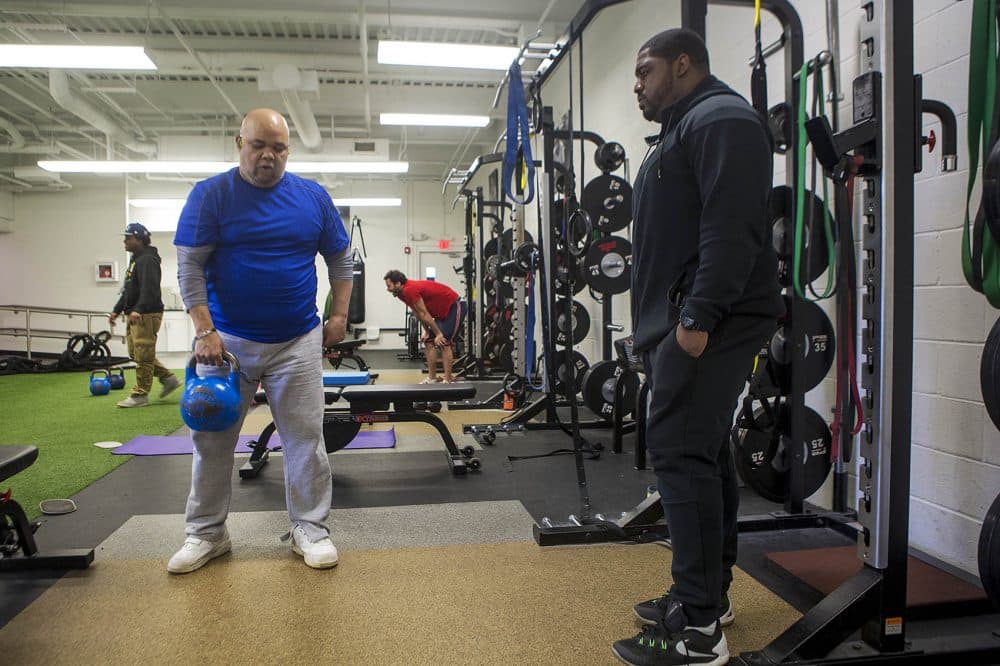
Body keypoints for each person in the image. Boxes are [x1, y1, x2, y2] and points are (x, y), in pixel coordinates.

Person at [613, 29, 784, 666]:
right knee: (703, 453)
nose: (637, 84)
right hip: (687, 320)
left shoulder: (723, 119)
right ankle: (709, 597)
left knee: (680, 452)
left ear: (683, 65)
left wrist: (698, 317)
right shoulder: (689, 125)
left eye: (645, 70)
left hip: (710, 321)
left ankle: (698, 631)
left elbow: (732, 228)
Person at [169, 108, 353, 574]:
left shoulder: (312, 198)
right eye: (259, 146)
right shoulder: (210, 195)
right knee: (211, 440)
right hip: (226, 343)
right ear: (239, 143)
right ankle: (206, 533)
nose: (268, 156)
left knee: (305, 439)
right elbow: (189, 267)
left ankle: (309, 528)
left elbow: (341, 262)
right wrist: (205, 330)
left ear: (288, 150)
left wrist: (339, 314)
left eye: (279, 148)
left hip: (297, 340)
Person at [107, 222, 181, 408]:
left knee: (143, 355)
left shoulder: (148, 259)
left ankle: (140, 395)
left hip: (146, 314)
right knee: (136, 353)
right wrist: (116, 310)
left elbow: (149, 289)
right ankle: (168, 378)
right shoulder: (135, 259)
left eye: (128, 238)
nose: (124, 241)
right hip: (136, 313)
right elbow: (128, 290)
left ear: (139, 239)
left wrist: (138, 309)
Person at [384, 270, 466, 383]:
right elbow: (417, 313)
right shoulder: (401, 294)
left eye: (389, 286)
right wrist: (427, 332)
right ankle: (432, 378)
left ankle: (448, 379)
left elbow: (424, 313)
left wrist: (438, 334)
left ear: (398, 283)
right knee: (428, 341)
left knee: (444, 342)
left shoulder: (409, 290)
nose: (387, 289)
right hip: (441, 313)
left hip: (455, 306)